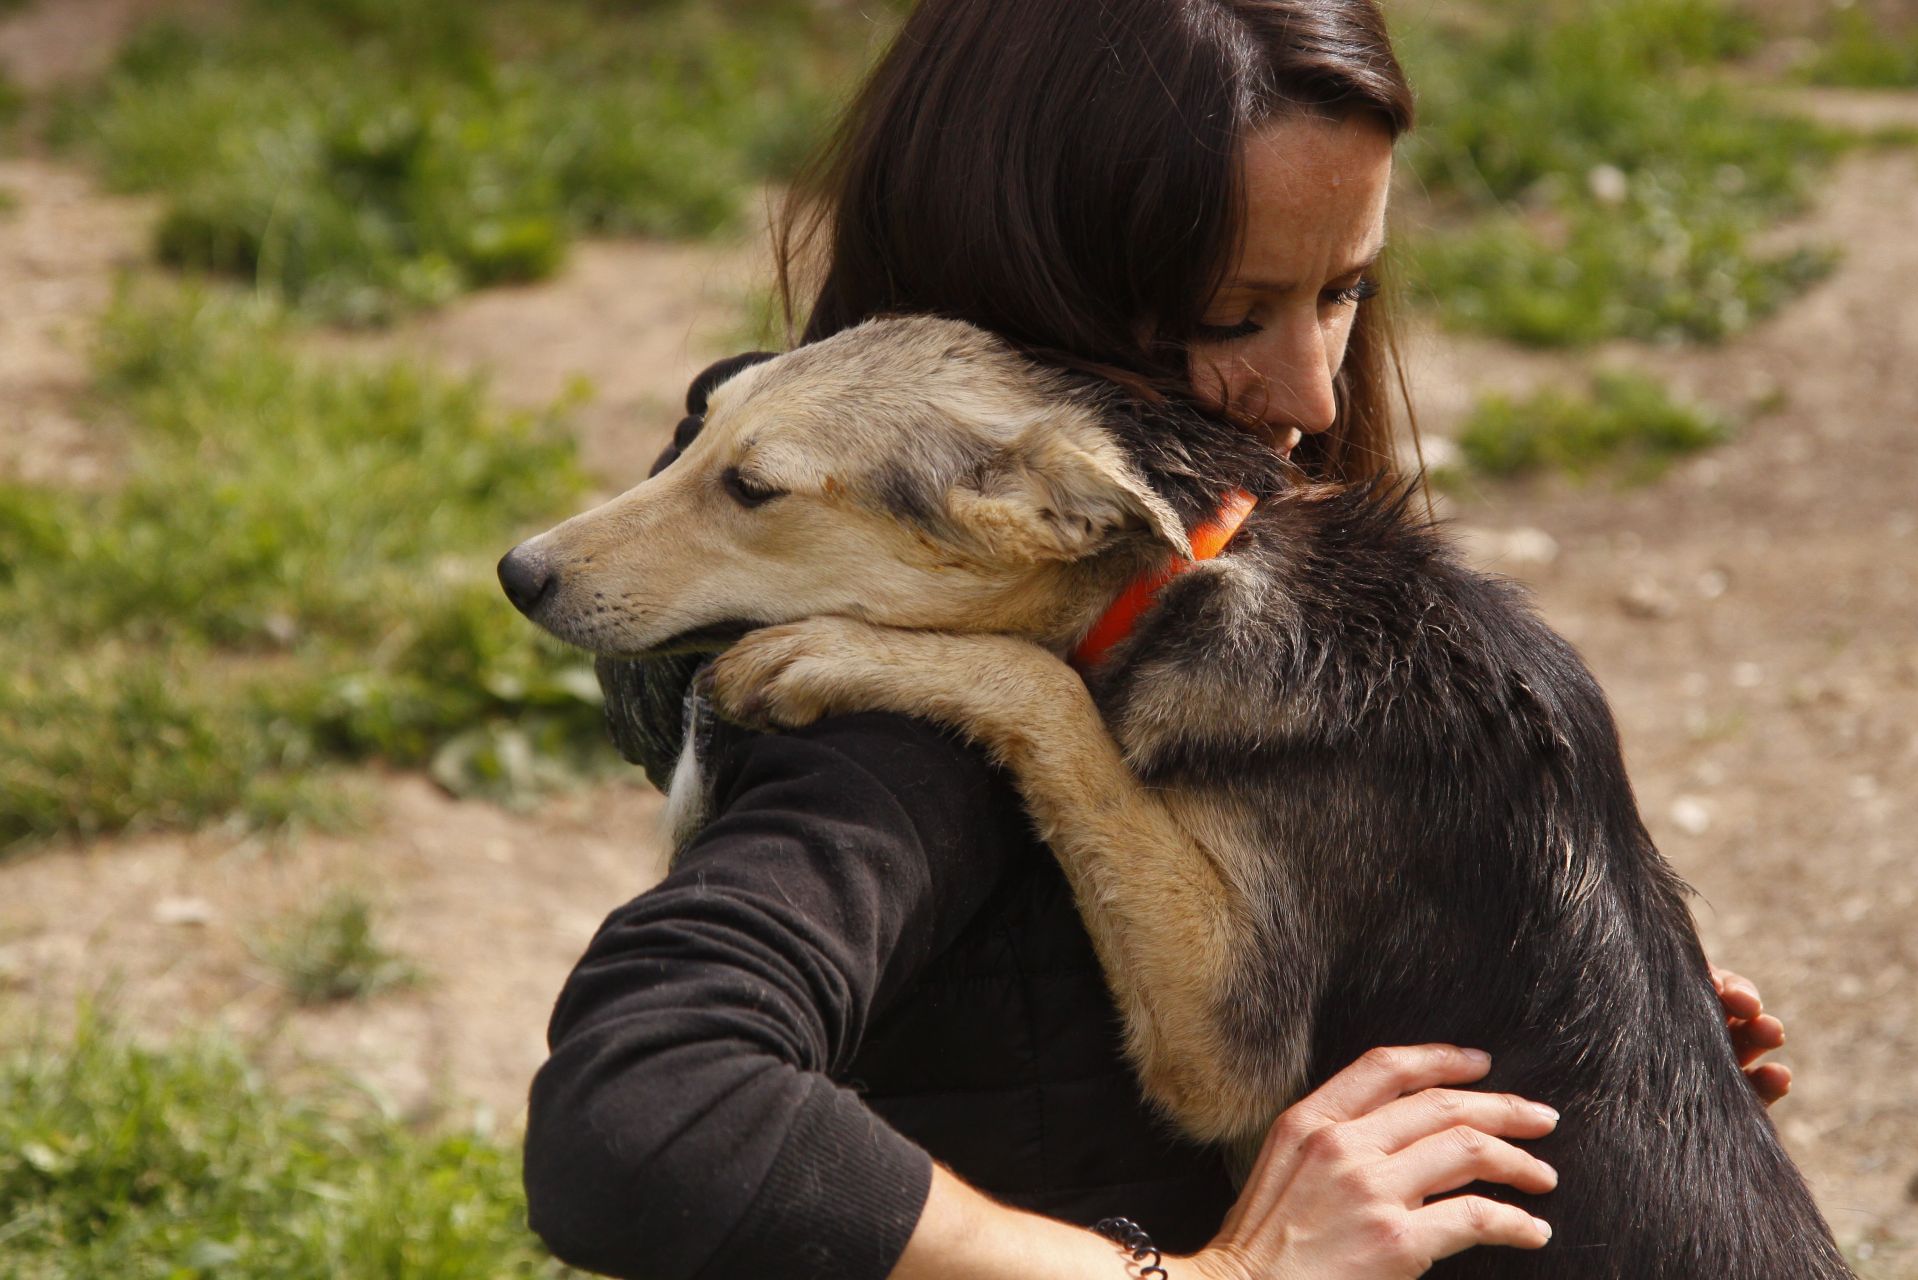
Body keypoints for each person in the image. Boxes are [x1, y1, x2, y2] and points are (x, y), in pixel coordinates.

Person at [522, 2, 1790, 1277]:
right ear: (1041, 269)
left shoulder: (1226, 596)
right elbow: (640, 1114)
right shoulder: (898, 712)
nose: (1316, 398)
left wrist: (1594, 1030)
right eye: (1234, 314)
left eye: (1342, 290)